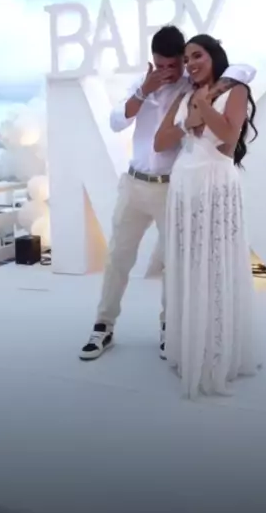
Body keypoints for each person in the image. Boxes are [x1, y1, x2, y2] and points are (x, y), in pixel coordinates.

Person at [154, 34, 259, 399]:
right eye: (186, 59)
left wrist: (204, 104)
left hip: (216, 185)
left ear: (213, 55)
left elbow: (228, 136)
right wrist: (189, 120)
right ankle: (189, 347)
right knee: (188, 266)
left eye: (197, 55)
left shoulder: (235, 90)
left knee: (215, 266)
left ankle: (215, 354)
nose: (191, 63)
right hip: (184, 189)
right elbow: (160, 141)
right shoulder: (184, 96)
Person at [79, 25, 188, 361]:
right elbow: (116, 122)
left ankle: (170, 328)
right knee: (117, 258)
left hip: (171, 188)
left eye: (174, 65)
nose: (167, 72)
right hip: (134, 184)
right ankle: (103, 326)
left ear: (183, 60)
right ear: (152, 60)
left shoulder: (190, 87)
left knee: (173, 263)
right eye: (161, 65)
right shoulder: (142, 85)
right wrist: (144, 91)